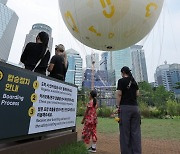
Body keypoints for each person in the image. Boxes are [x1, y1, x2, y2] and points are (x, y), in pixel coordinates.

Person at [116, 66, 141, 154]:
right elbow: (137, 94)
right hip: (135, 108)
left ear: (123, 72)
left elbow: (119, 94)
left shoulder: (121, 81)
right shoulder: (134, 81)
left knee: (124, 133)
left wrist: (117, 106)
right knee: (136, 133)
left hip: (125, 108)